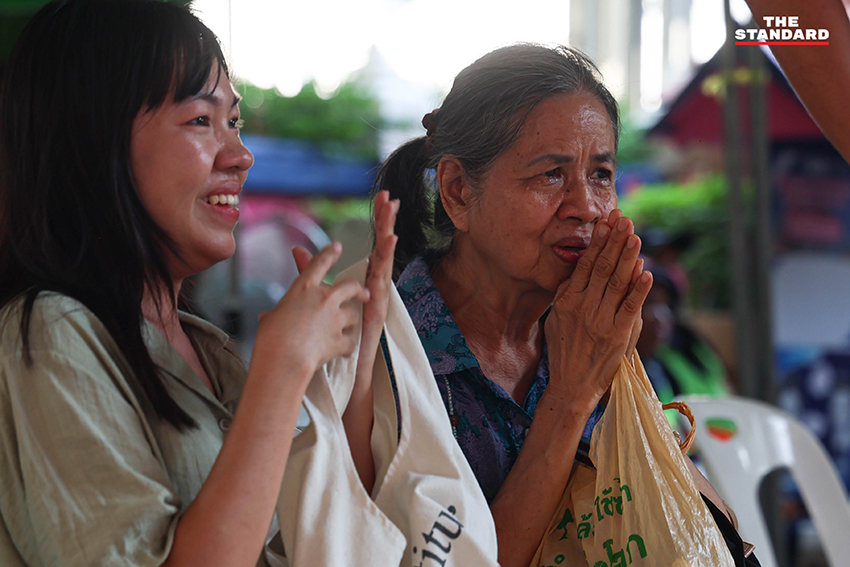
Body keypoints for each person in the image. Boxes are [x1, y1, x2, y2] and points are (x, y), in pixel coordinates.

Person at [0, 1, 397, 566]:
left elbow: (319, 532)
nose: (241, 155)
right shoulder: (49, 333)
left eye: (233, 122)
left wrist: (361, 354)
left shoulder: (203, 346)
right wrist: (282, 370)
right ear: (93, 141)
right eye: (200, 121)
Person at [373, 43, 733, 567]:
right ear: (458, 192)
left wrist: (618, 367)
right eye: (551, 175)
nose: (586, 207)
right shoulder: (383, 355)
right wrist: (571, 396)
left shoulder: (588, 329)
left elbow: (704, 530)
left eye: (601, 175)